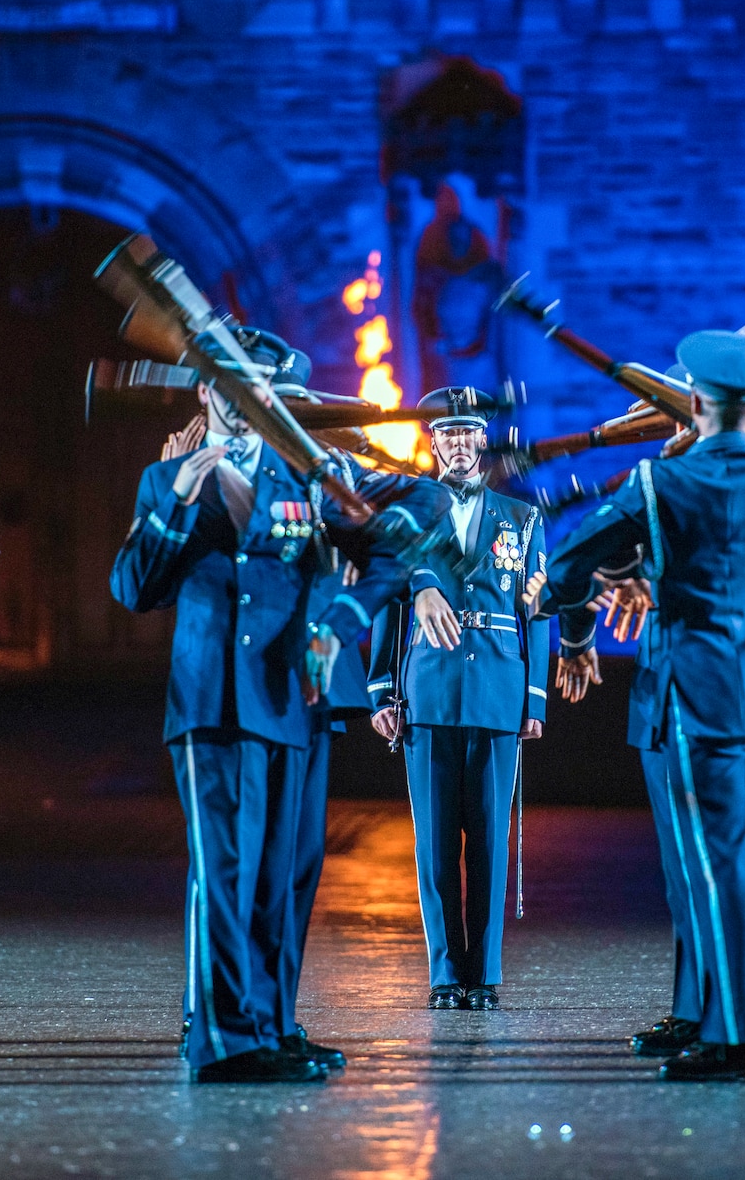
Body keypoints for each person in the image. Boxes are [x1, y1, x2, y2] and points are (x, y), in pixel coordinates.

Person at [110, 327, 444, 1084]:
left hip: (288, 696)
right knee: (224, 868)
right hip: (211, 701)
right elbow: (133, 588)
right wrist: (181, 499)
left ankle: (267, 1023)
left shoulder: (308, 477)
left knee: (280, 873)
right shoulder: (166, 481)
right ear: (204, 392)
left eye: (255, 388)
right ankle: (226, 1042)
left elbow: (408, 522)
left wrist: (345, 618)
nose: (238, 400)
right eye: (225, 385)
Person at [538, 330, 745, 1082]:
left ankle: (743, 1041)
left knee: (720, 869)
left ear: (694, 405)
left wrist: (588, 603)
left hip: (698, 697)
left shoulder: (662, 482)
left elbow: (566, 561)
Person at [367, 387, 549, 1011]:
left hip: (499, 688)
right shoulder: (407, 511)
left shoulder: (522, 519)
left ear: (485, 441)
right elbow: (387, 606)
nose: (459, 443)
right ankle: (447, 974)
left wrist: (534, 696)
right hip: (431, 689)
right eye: (447, 433)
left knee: (491, 841)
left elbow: (539, 613)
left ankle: (486, 974)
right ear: (432, 440)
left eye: (470, 432)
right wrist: (381, 689)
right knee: (436, 843)